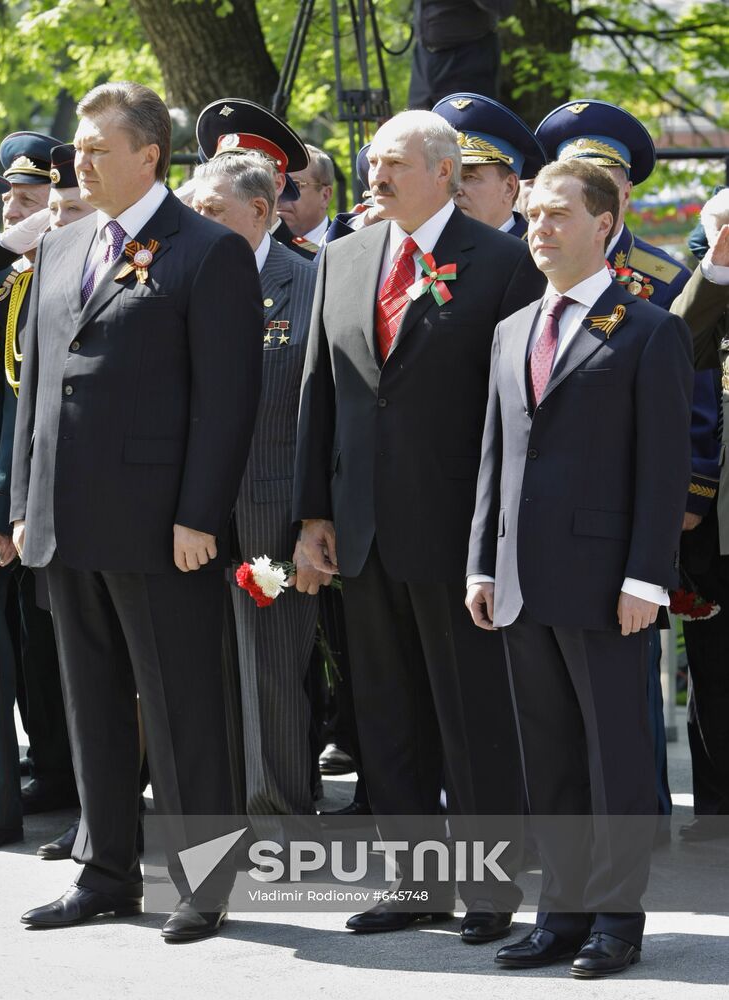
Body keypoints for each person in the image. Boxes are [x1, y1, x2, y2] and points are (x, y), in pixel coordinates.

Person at [12, 82, 263, 943]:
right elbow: (39, 390)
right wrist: (22, 505)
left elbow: (228, 402)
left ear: (150, 154)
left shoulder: (206, 250)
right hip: (66, 521)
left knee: (186, 702)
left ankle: (207, 879)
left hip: (164, 527)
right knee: (92, 703)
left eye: (94, 148)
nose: (75, 162)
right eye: (77, 148)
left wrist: (199, 514)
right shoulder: (62, 245)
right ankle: (107, 870)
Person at [294, 109, 545, 941]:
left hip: (456, 534)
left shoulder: (505, 264)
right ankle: (413, 885)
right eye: (371, 163)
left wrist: (501, 537)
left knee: (471, 719)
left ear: (443, 171)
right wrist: (313, 515)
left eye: (393, 163)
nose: (376, 177)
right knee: (386, 717)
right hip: (361, 533)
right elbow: (318, 396)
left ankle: (487, 892)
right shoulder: (343, 256)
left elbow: (520, 413)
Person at [466, 159, 693, 977]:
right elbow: (495, 457)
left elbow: (664, 468)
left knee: (616, 759)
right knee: (551, 760)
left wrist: (646, 576)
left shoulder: (648, 329)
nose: (541, 228)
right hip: (521, 580)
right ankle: (559, 914)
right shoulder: (513, 328)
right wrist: (481, 564)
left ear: (606, 224)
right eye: (533, 215)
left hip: (607, 585)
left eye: (559, 214)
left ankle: (616, 919)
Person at [535, 99, 712, 840]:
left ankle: (631, 830)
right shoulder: (530, 276)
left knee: (626, 688)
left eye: (602, 176)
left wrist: (689, 492)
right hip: (546, 529)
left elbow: (692, 393)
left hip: (628, 513)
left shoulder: (660, 279)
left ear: (620, 199)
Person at [192, 149, 325, 838]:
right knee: (201, 672)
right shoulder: (181, 279)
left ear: (260, 212)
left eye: (211, 210)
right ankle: (215, 819)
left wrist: (310, 522)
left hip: (270, 515)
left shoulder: (309, 283)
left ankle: (277, 823)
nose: (198, 221)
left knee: (270, 674)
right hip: (192, 516)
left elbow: (319, 414)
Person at [0, 134, 79, 852]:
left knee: (69, 644)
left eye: (37, 200)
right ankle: (56, 766)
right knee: (34, 644)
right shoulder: (11, 279)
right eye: (17, 200)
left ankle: (90, 787)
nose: (21, 213)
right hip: (25, 498)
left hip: (71, 499)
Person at [670, 193, 729, 839]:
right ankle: (716, 808)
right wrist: (715, 274)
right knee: (715, 669)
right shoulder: (702, 295)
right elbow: (676, 347)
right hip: (716, 521)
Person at [196, 98, 317, 260]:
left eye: (245, 171)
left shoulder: (310, 261)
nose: (232, 178)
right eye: (225, 169)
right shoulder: (197, 255)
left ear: (278, 183)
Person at [432, 92, 545, 237]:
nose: (455, 189)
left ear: (509, 187)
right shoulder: (432, 248)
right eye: (449, 177)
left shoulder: (538, 252)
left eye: (470, 176)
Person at [408, 0, 513, 110]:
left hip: (467, 59)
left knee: (467, 124)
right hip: (423, 58)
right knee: (416, 124)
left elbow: (504, 7)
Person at [278, 144, 334, 248]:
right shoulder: (258, 246)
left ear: (325, 196)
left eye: (295, 185)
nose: (280, 194)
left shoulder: (345, 246)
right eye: (276, 185)